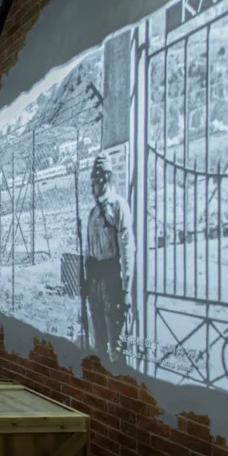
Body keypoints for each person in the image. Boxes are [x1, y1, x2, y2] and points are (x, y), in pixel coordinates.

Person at [84, 152, 134, 367]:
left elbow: (127, 247)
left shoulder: (118, 206)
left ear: (108, 178)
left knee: (115, 336)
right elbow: (89, 249)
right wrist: (86, 281)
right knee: (99, 336)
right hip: (95, 280)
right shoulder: (93, 213)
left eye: (101, 176)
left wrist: (126, 286)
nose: (96, 181)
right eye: (94, 177)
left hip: (112, 278)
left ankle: (118, 377)